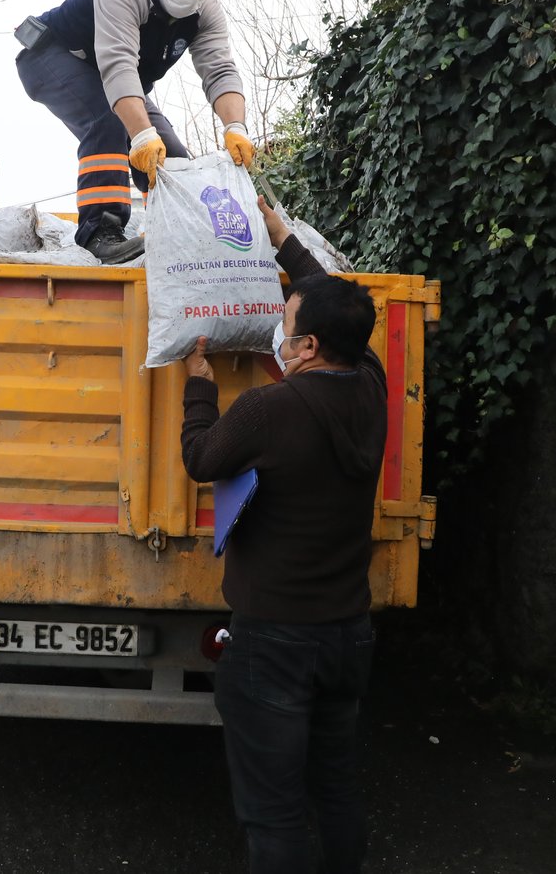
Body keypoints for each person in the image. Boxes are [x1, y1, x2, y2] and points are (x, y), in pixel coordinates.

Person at [179, 197, 386, 874]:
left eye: (288, 324)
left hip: (272, 640)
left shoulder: (270, 409)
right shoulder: (371, 388)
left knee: (272, 810)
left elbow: (201, 462)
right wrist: (281, 240)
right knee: (335, 784)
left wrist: (199, 391)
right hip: (346, 631)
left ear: (308, 347)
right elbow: (335, 312)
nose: (281, 328)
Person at [15, 0, 255, 264]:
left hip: (112, 79)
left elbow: (220, 70)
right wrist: (140, 134)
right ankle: (100, 231)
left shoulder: (206, 12)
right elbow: (118, 65)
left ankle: (177, 234)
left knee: (170, 158)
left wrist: (236, 127)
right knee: (109, 120)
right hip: (52, 58)